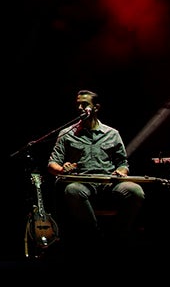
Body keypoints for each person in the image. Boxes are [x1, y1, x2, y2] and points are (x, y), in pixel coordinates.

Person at [47, 89, 144, 252]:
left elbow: (123, 163)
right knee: (73, 190)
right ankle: (96, 238)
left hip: (109, 183)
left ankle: (118, 236)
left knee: (135, 190)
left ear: (96, 108)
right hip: (82, 183)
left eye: (84, 104)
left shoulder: (112, 134)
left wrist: (121, 172)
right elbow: (52, 164)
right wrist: (63, 169)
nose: (79, 108)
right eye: (77, 104)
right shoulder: (67, 134)